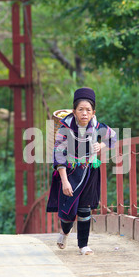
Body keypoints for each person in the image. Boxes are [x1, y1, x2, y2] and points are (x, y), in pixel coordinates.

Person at [46, 87, 117, 255]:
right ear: (74, 111)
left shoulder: (97, 126)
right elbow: (59, 156)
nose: (84, 113)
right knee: (68, 212)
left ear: (93, 113)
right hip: (69, 173)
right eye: (81, 110)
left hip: (90, 172)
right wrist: (64, 182)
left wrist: (101, 145)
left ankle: (83, 246)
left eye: (88, 110)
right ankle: (64, 231)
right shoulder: (64, 129)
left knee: (85, 209)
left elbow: (113, 137)